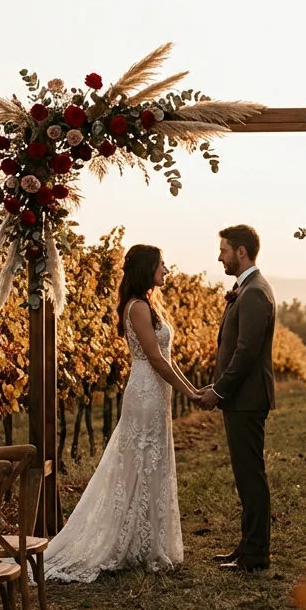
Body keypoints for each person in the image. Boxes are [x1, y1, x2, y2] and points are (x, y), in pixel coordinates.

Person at [42, 244, 197, 583]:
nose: (167, 271)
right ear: (147, 269)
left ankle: (144, 542)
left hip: (155, 390)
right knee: (139, 462)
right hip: (145, 389)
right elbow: (156, 359)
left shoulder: (147, 303)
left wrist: (190, 389)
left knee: (150, 462)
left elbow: (165, 359)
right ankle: (129, 543)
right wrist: (191, 392)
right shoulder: (138, 307)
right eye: (162, 265)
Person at [198, 225, 276, 572]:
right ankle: (247, 547)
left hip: (246, 398)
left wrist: (219, 390)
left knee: (251, 476)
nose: (220, 256)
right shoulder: (247, 289)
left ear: (241, 251)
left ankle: (256, 553)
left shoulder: (255, 292)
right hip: (241, 399)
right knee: (245, 476)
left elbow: (246, 352)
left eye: (224, 250)